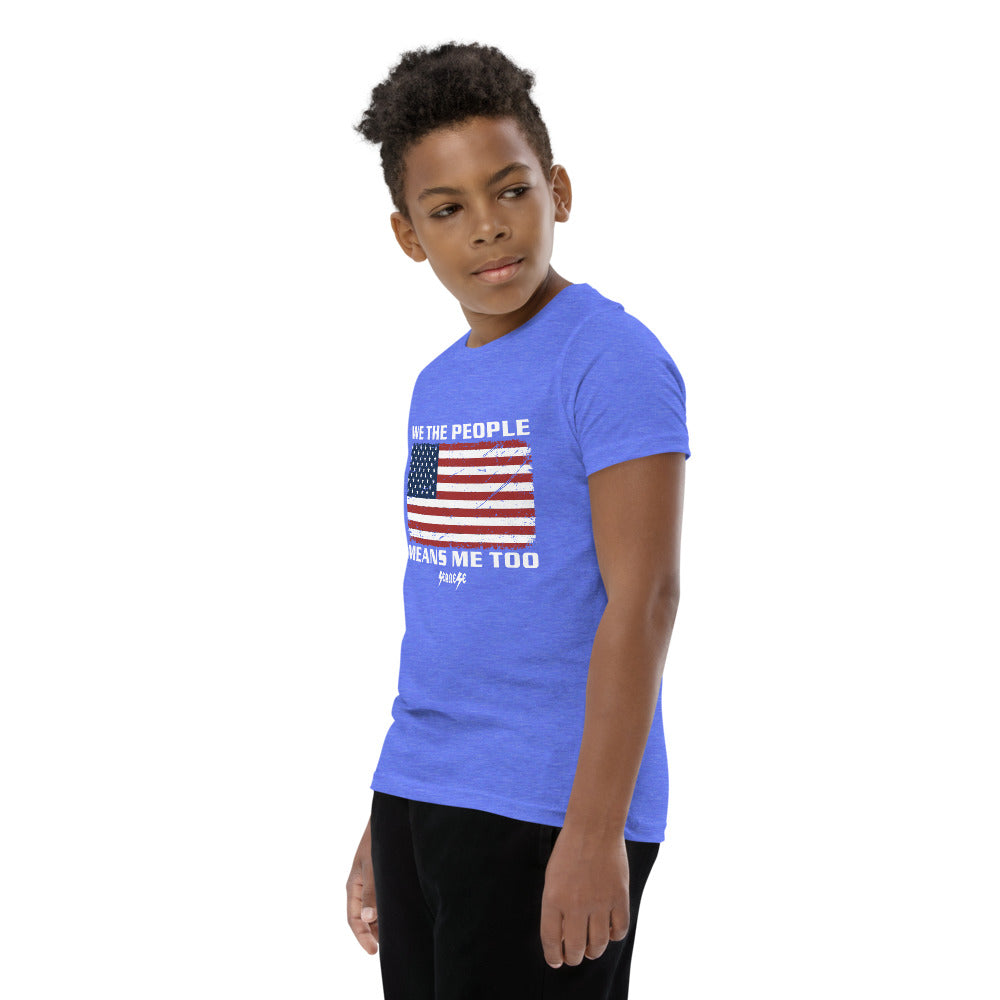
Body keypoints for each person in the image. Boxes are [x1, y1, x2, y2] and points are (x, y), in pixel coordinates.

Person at [345, 41, 690, 999]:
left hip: (548, 808)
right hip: (422, 792)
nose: (489, 227)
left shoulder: (610, 358)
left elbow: (646, 599)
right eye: (448, 209)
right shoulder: (435, 387)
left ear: (558, 191)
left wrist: (594, 832)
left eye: (510, 191)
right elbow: (439, 588)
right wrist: (388, 813)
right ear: (409, 235)